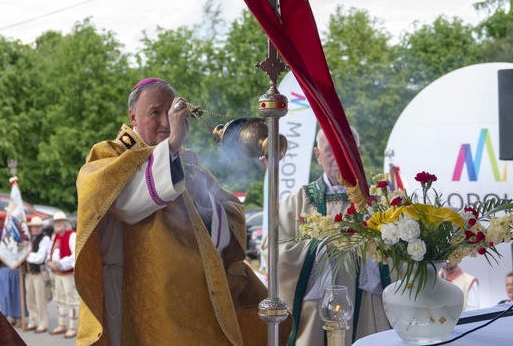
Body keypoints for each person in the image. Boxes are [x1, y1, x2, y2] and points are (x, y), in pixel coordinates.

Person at [76, 78, 275, 345]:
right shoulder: (109, 155)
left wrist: (203, 202)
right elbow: (127, 207)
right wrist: (169, 148)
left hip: (185, 299)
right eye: (155, 112)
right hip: (129, 292)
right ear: (133, 116)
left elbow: (226, 221)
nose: (166, 122)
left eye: (171, 113)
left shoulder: (187, 163)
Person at [278, 127, 391, 346]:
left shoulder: (379, 202)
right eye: (330, 150)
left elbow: (400, 255)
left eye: (346, 150)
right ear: (318, 156)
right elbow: (277, 254)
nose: (338, 156)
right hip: (314, 318)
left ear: (357, 153)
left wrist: (372, 247)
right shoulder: (297, 202)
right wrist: (322, 246)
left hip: (366, 310)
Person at [48, 211, 78, 339]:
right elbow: (50, 252)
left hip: (67, 274)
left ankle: (73, 327)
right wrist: (49, 262)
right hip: (57, 273)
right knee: (59, 299)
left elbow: (74, 256)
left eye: (60, 221)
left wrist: (59, 263)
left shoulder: (72, 236)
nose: (58, 224)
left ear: (65, 223)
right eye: (56, 222)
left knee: (72, 300)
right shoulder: (54, 236)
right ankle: (61, 325)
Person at [25, 216, 52, 333]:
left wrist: (26, 256)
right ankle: (33, 321)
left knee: (41, 299)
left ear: (41, 227)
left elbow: (40, 258)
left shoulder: (45, 239)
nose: (35, 229)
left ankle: (42, 323)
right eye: (33, 227)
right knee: (30, 298)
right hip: (29, 272)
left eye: (37, 227)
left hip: (39, 273)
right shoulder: (31, 238)